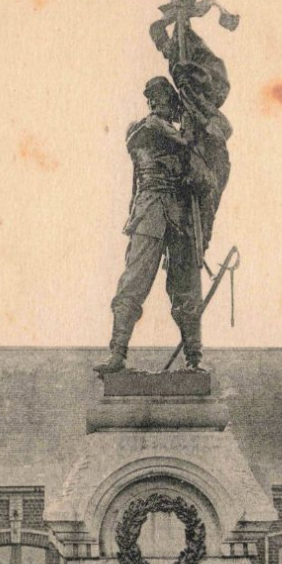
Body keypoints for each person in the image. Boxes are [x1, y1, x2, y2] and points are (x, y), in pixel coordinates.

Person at [94, 76, 204, 375]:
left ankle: (194, 357)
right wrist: (190, 128)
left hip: (178, 217)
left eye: (164, 101)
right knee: (133, 282)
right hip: (150, 212)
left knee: (186, 289)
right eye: (155, 100)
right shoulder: (145, 128)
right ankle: (117, 353)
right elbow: (163, 138)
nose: (159, 105)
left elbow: (198, 173)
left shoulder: (176, 136)